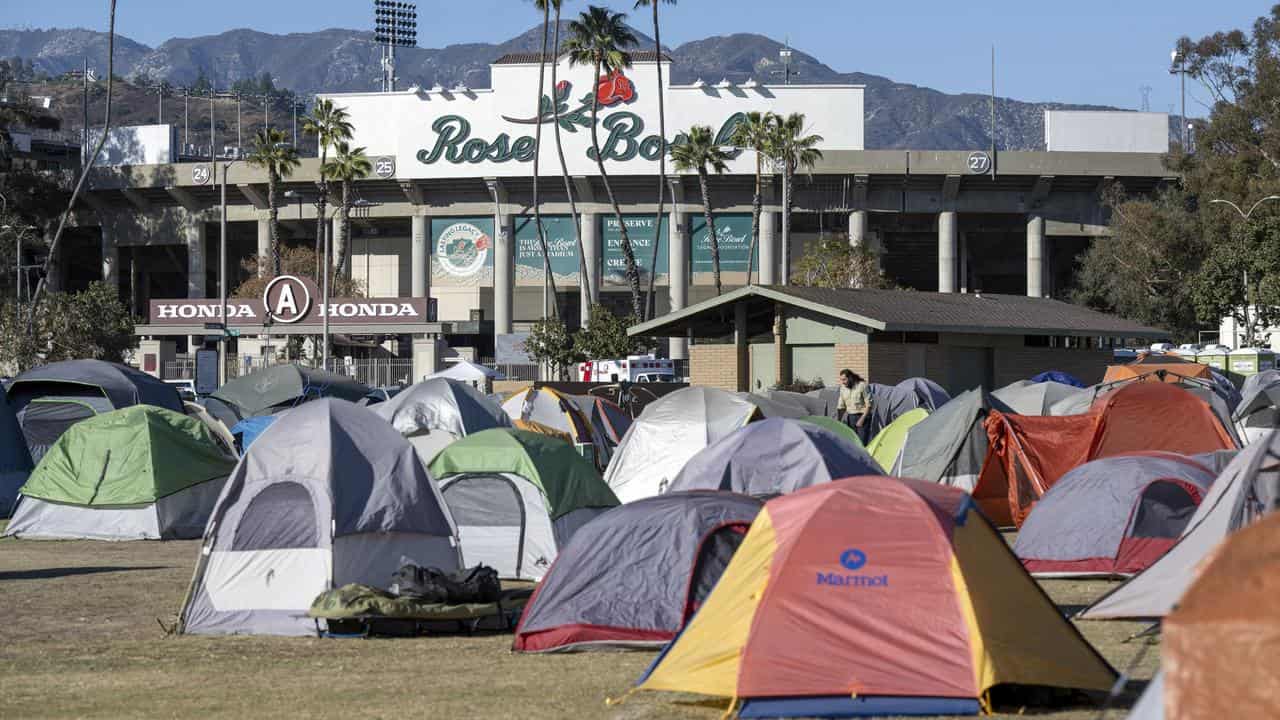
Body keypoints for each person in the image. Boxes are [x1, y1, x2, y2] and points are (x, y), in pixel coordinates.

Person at [835, 369, 872, 444]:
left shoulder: (862, 385)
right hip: (851, 418)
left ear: (850, 377)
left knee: (861, 444)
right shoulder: (843, 388)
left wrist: (861, 420)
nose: (843, 382)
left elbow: (869, 405)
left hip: (863, 417)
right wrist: (838, 421)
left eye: (844, 379)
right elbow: (841, 406)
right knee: (852, 443)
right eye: (841, 380)